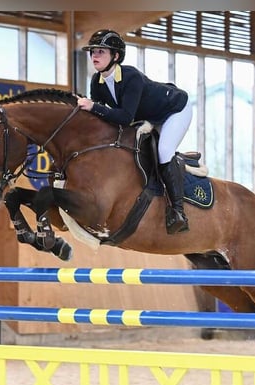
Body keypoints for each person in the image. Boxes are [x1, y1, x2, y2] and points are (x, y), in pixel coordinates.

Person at [76, 29, 193, 234]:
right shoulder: (97, 81)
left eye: (101, 51)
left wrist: (93, 106)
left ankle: (178, 212)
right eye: (93, 51)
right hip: (147, 116)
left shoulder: (131, 77)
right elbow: (102, 119)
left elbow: (125, 117)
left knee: (165, 151)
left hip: (174, 110)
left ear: (116, 56)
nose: (94, 55)